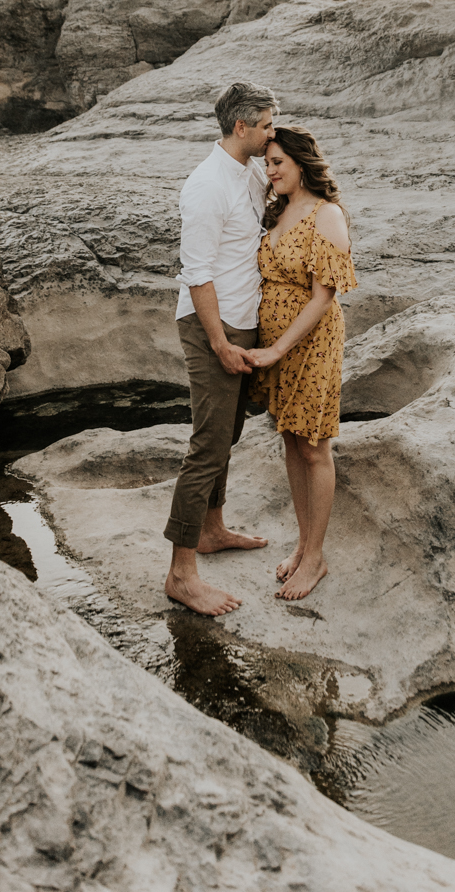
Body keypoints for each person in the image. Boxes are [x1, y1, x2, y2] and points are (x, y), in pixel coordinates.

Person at [163, 81, 279, 617]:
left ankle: (211, 530)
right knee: (207, 445)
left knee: (226, 435)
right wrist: (219, 342)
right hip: (214, 327)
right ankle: (181, 574)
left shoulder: (251, 171)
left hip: (242, 320)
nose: (271, 132)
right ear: (241, 127)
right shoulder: (207, 185)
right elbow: (197, 272)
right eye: (267, 125)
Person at [245, 126, 357, 601]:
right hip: (278, 344)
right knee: (291, 441)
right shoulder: (279, 211)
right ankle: (304, 546)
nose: (270, 172)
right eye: (266, 164)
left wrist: (275, 349)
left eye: (277, 163)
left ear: (301, 163)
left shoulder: (326, 215)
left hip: (310, 343)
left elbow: (322, 298)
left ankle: (315, 559)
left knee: (314, 446)